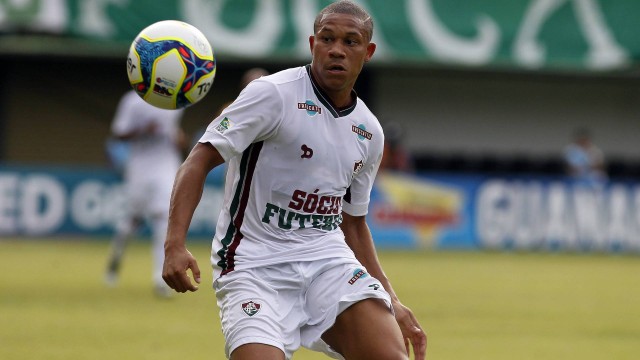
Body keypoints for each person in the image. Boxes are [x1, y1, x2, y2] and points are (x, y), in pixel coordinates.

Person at [162, 1, 427, 359]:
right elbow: (197, 161)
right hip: (254, 265)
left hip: (328, 263)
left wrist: (391, 298)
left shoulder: (369, 131)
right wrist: (174, 244)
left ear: (368, 51)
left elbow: (353, 223)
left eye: (350, 42)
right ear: (312, 44)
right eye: (327, 38)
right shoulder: (272, 94)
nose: (336, 49)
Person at [105, 89, 186, 297]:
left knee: (163, 218)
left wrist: (179, 139)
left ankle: (160, 280)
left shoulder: (175, 100)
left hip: (166, 165)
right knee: (133, 221)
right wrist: (143, 129)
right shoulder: (132, 101)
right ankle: (115, 260)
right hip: (140, 167)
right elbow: (118, 133)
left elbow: (174, 132)